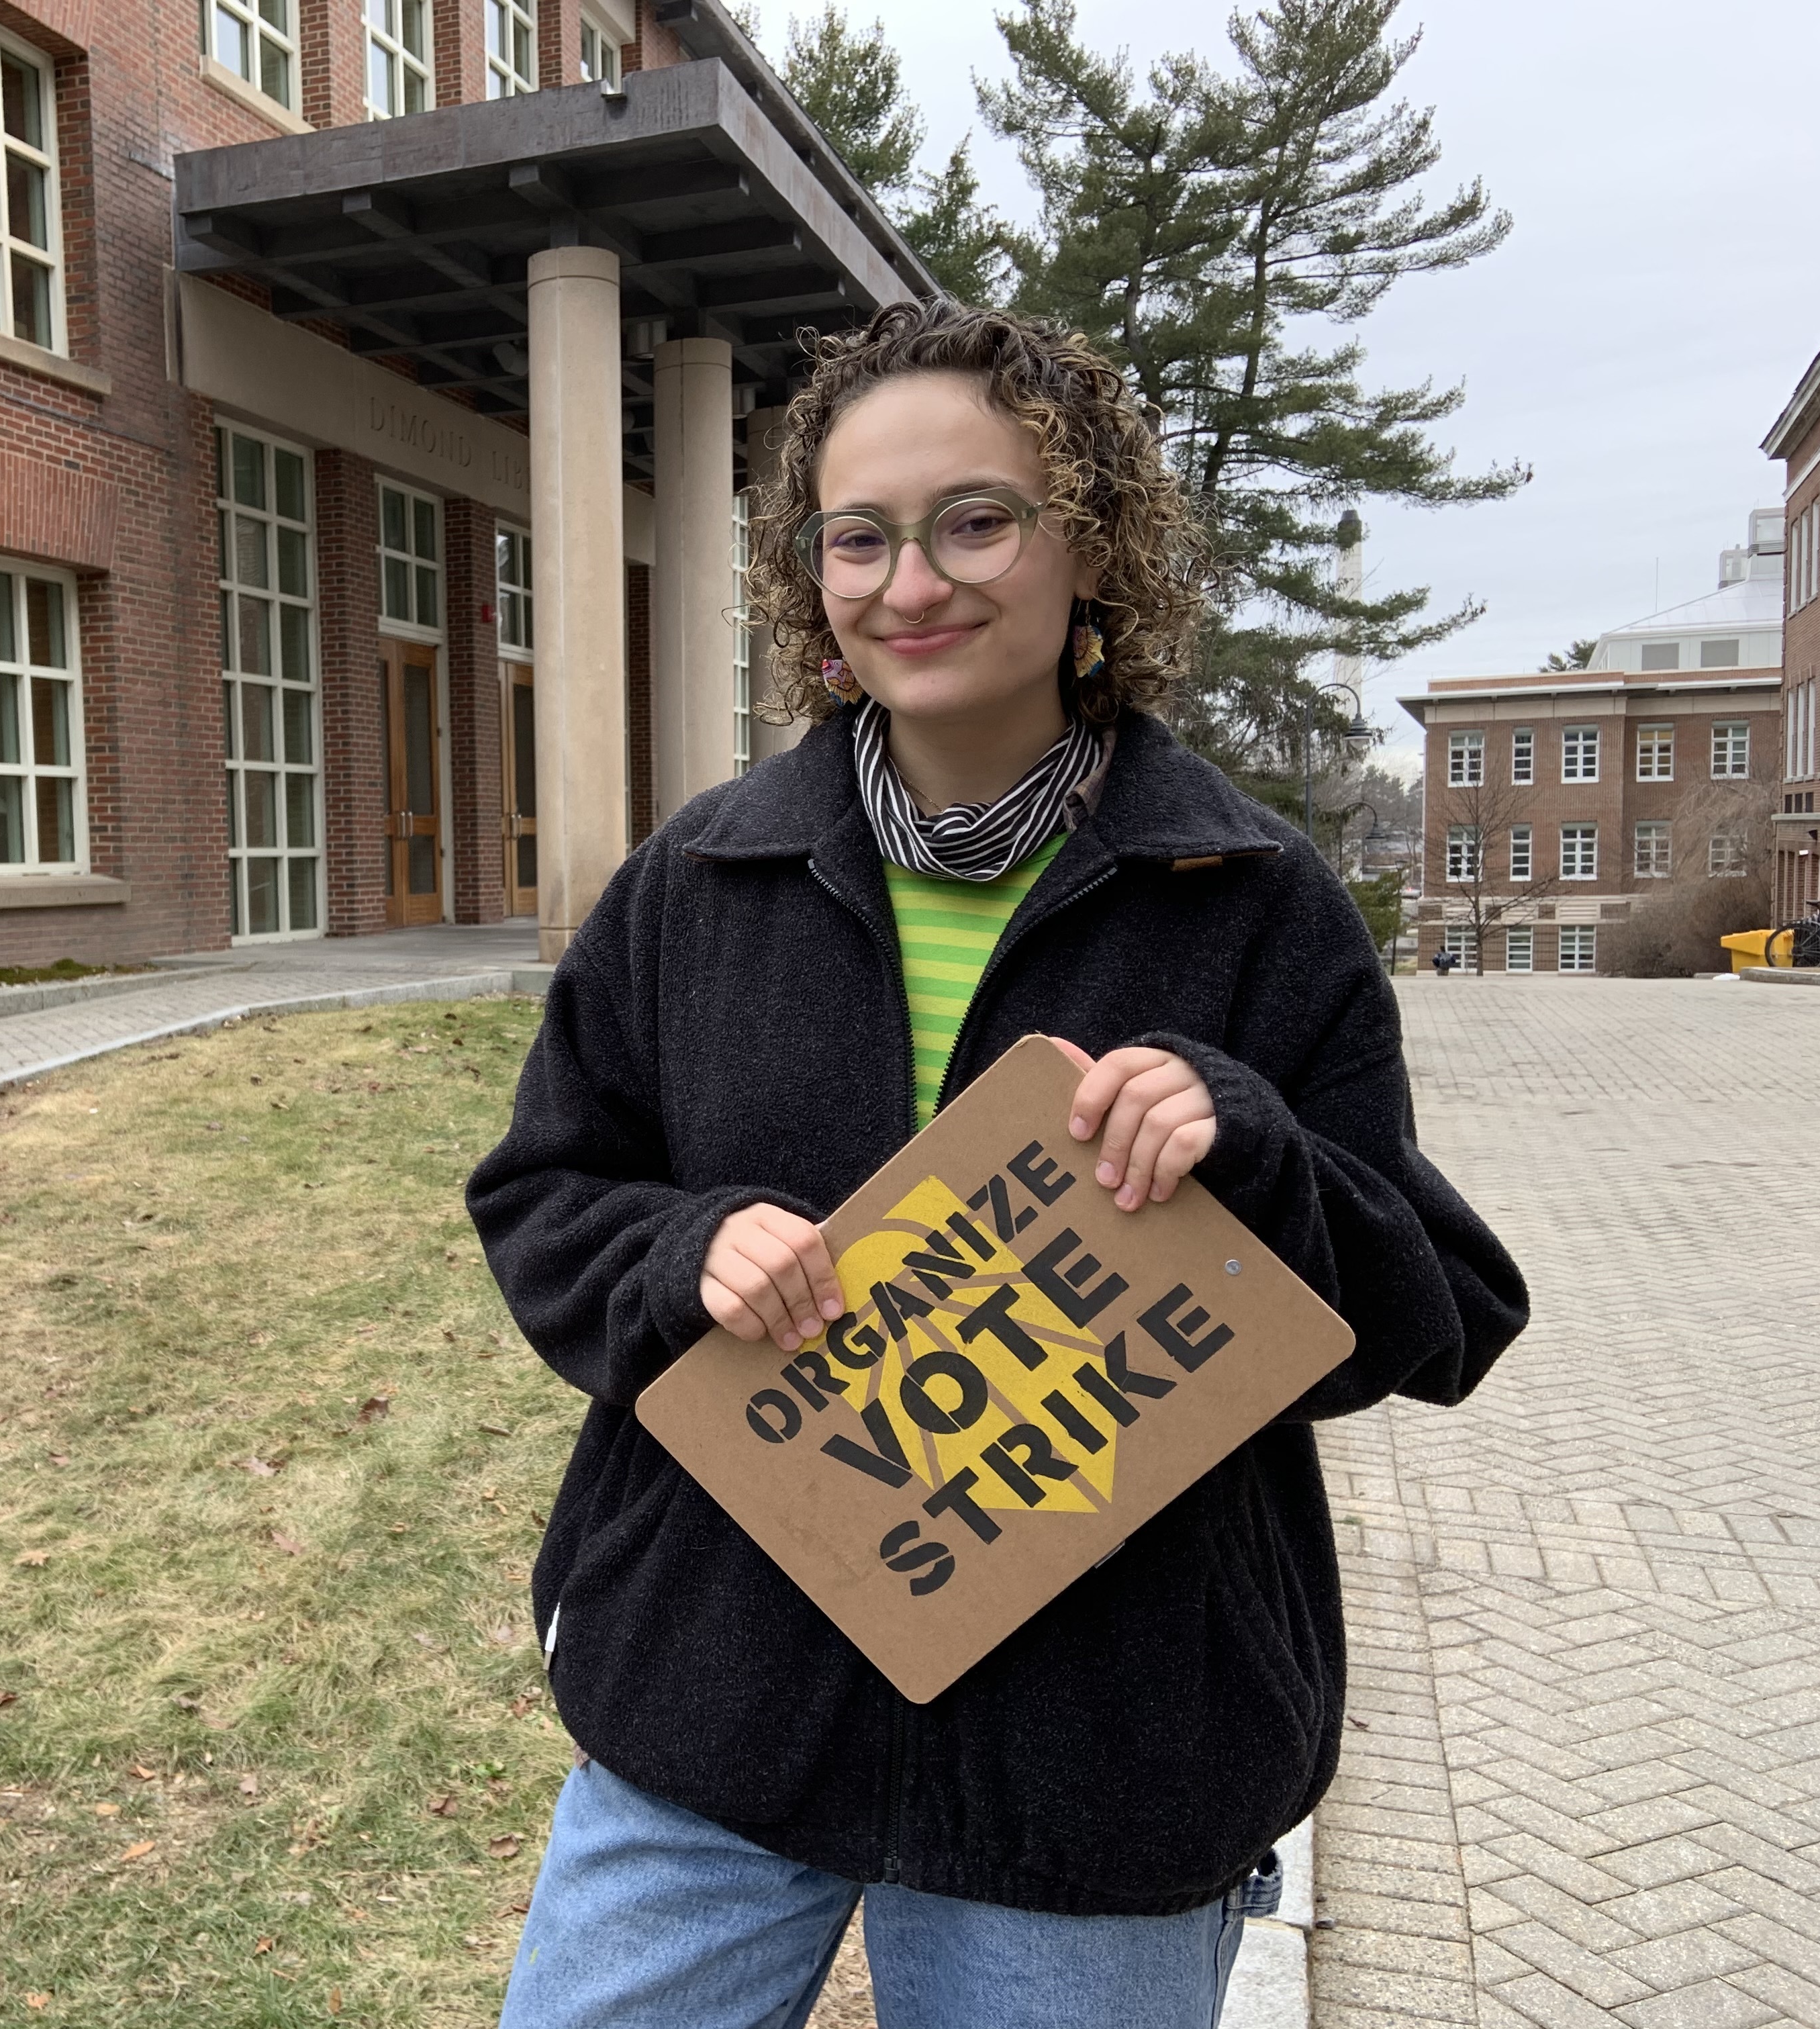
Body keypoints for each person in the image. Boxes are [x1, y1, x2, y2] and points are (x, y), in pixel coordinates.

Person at [466, 299, 1527, 2029]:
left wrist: (1254, 1155)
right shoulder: (696, 886)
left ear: (1090, 546)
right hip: (717, 1710)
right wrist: (683, 1259)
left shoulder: (1252, 906)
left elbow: (1444, 1308)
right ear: (807, 578)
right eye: (858, 537)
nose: (912, 583)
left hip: (1100, 1762)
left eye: (978, 519)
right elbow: (541, 1195)